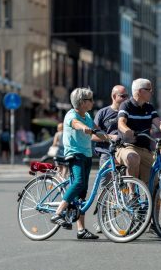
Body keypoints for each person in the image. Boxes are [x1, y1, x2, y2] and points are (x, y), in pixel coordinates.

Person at [50, 87, 99, 240]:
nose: (92, 102)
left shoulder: (89, 116)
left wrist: (113, 137)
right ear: (82, 102)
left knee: (82, 192)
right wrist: (84, 128)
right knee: (78, 182)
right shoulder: (71, 114)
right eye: (90, 100)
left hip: (87, 155)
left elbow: (97, 132)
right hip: (75, 154)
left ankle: (81, 230)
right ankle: (58, 213)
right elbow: (76, 124)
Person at [117, 78, 161, 185]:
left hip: (145, 150)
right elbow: (121, 123)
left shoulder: (149, 107)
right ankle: (132, 194)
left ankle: (155, 200)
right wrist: (128, 131)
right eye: (149, 89)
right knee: (133, 158)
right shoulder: (126, 105)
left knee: (156, 179)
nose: (152, 92)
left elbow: (159, 122)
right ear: (139, 91)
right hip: (127, 147)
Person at [94, 85, 128, 166]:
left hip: (125, 150)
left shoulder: (130, 113)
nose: (126, 99)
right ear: (114, 96)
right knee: (106, 177)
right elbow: (93, 136)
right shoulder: (102, 113)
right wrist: (112, 137)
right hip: (107, 151)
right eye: (123, 96)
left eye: (127, 96)